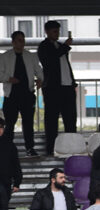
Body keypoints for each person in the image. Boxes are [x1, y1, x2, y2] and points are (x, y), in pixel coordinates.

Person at [36, 20, 76, 157]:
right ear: (47, 32)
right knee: (52, 120)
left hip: (67, 87)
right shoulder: (44, 46)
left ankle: (72, 146)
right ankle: (51, 148)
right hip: (53, 88)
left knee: (70, 119)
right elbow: (50, 61)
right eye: (54, 31)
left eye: (58, 31)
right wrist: (65, 47)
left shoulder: (60, 46)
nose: (57, 34)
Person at [0, 31, 43, 156]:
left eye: (23, 40)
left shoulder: (31, 56)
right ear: (13, 42)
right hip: (11, 94)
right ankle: (7, 148)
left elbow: (39, 71)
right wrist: (9, 78)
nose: (22, 42)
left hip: (27, 93)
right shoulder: (4, 57)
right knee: (9, 123)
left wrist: (40, 79)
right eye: (19, 40)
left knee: (28, 123)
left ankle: (30, 148)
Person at [0, 120, 22, 210]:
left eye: (1, 127)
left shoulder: (9, 145)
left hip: (5, 183)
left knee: (3, 208)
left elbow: (15, 165)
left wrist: (17, 182)